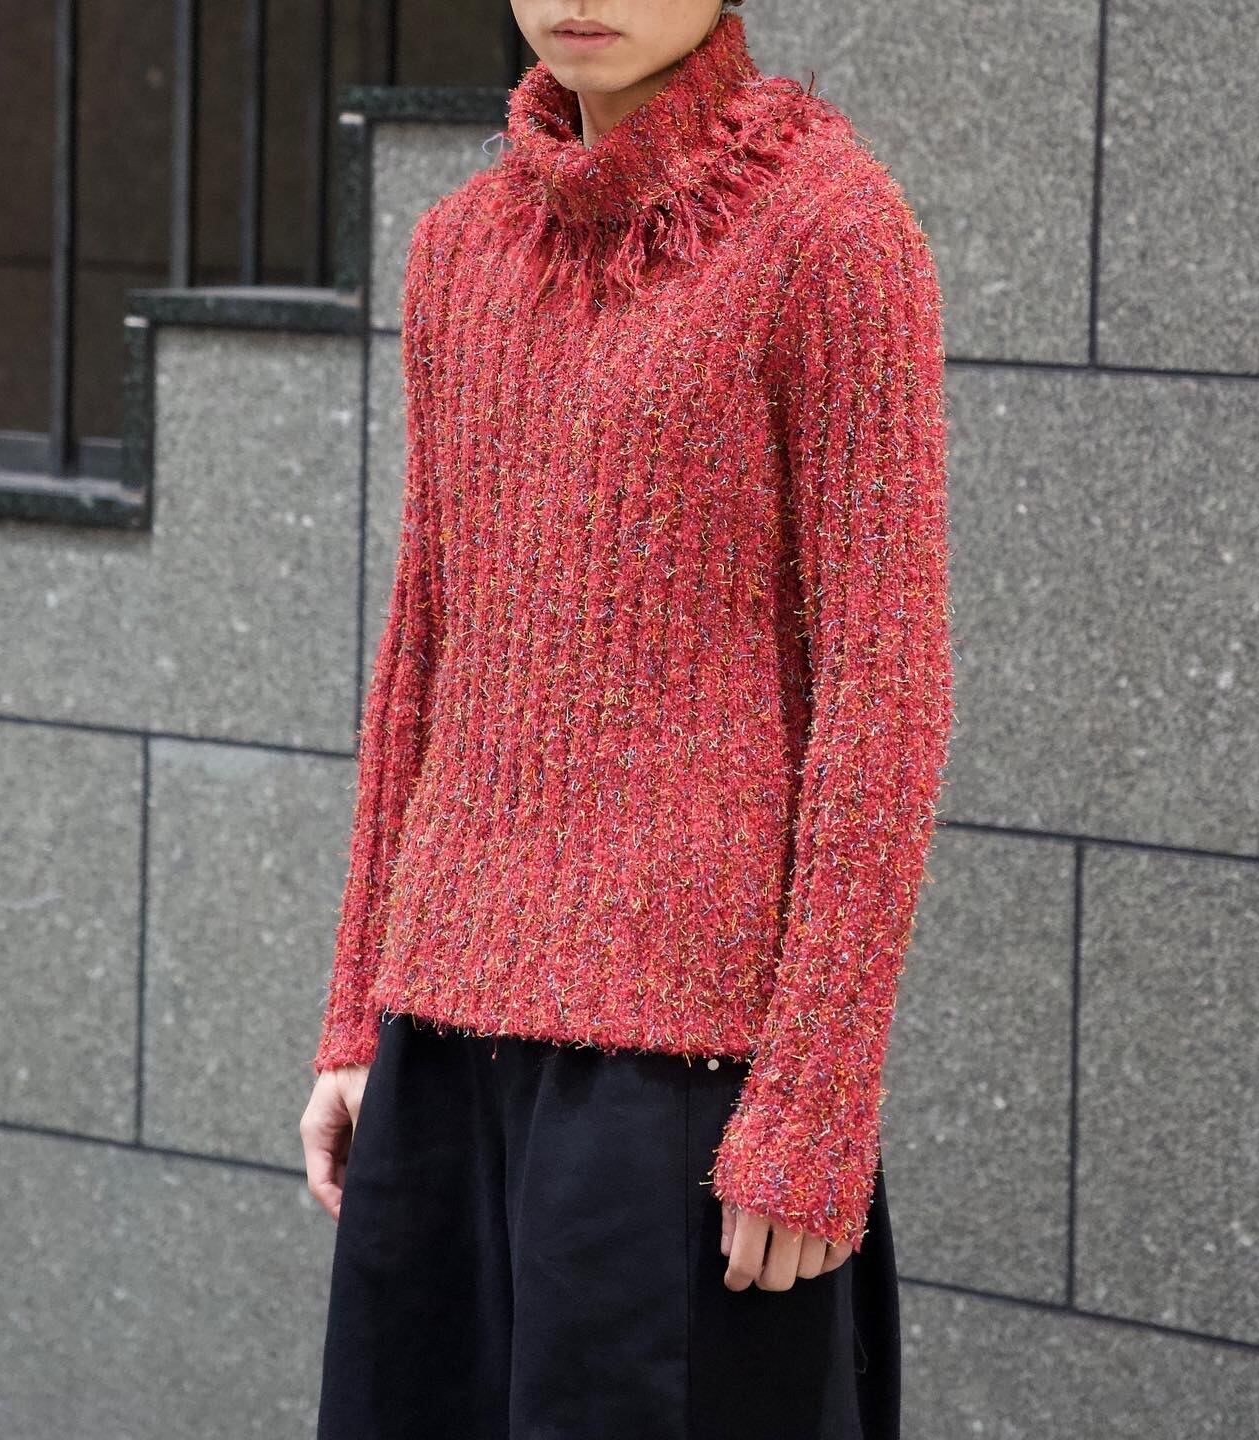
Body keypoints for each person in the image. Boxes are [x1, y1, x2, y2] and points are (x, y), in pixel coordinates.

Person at [300, 1, 953, 1436]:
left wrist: (816, 1101)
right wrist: (358, 1007)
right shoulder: (459, 247)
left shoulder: (831, 233)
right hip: (439, 1053)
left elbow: (884, 689)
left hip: (683, 1091)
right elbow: (428, 644)